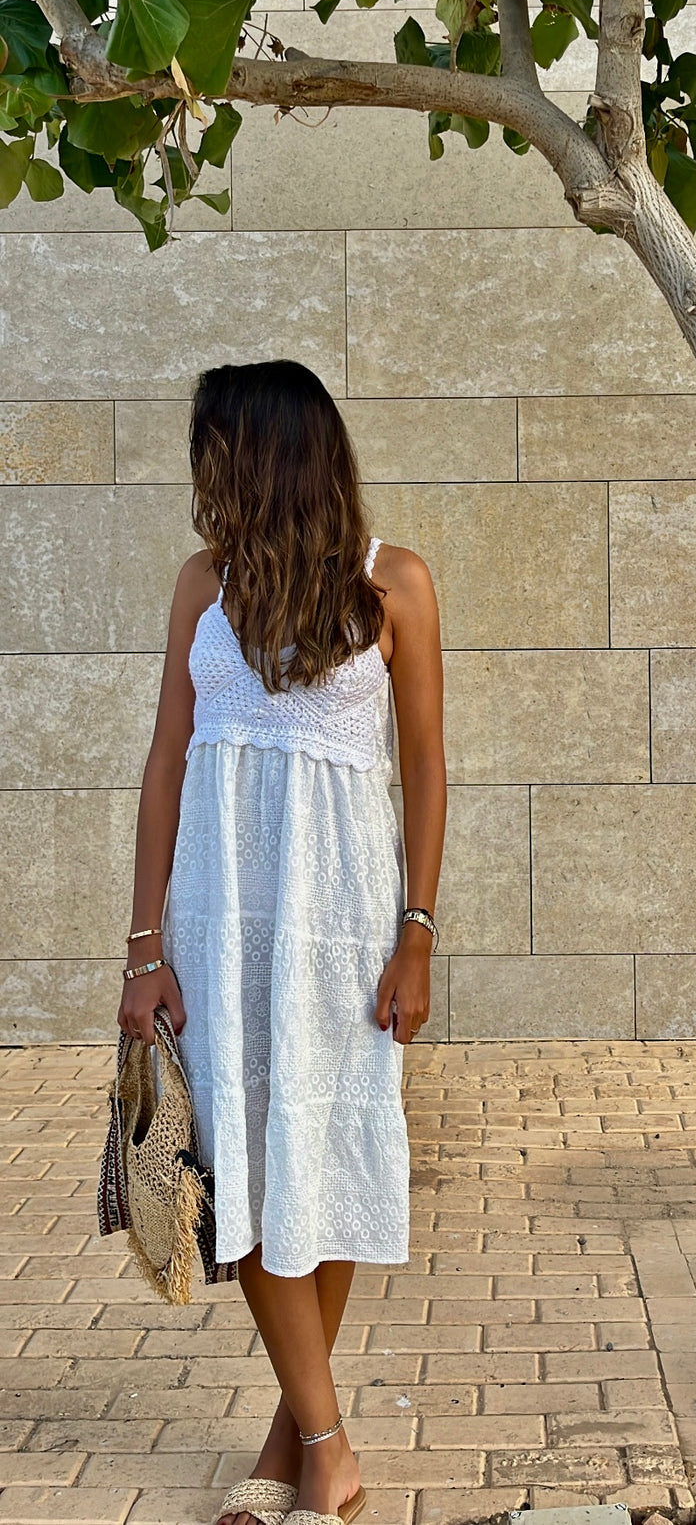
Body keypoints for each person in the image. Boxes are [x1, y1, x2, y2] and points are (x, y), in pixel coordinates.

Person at [116, 359, 447, 1525]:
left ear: (265, 453)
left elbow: (426, 764)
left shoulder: (394, 582)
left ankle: (302, 1441)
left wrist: (417, 932)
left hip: (340, 926)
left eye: (213, 447)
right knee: (245, 1168)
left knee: (325, 1159)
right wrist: (143, 945)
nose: (199, 471)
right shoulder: (200, 586)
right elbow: (167, 758)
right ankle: (325, 1443)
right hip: (217, 924)